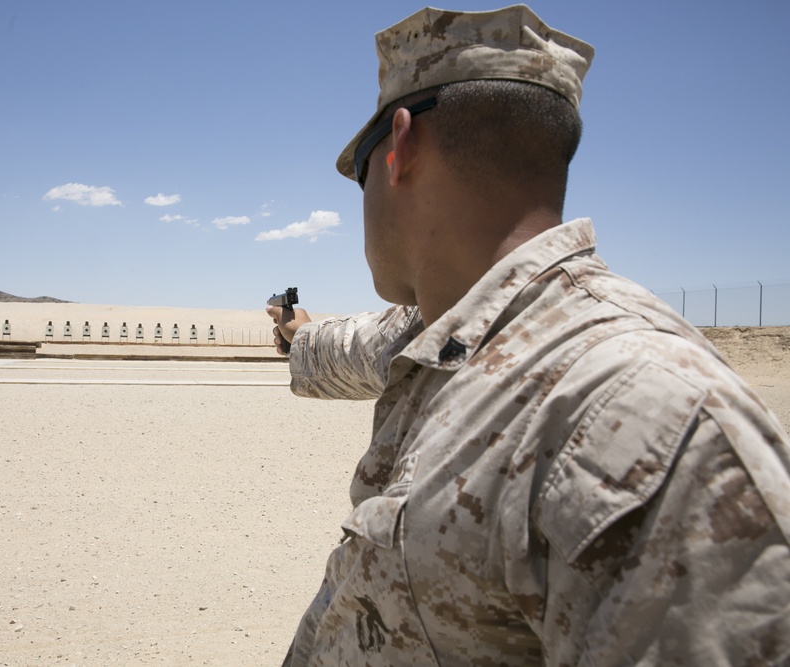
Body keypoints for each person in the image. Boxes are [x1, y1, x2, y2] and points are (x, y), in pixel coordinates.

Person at [266, 5, 790, 666]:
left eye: (358, 168)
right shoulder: (466, 329)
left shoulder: (647, 410)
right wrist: (294, 333)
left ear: (398, 149)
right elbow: (361, 345)